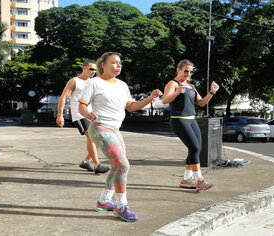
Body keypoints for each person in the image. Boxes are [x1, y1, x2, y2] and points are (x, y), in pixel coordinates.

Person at [78, 52, 162, 222]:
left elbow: (130, 107)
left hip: (115, 130)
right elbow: (82, 106)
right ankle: (121, 206)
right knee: (123, 165)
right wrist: (88, 114)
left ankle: (103, 201)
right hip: (100, 129)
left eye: (120, 63)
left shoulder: (122, 85)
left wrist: (150, 98)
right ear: (103, 64)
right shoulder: (94, 83)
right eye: (114, 62)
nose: (118, 65)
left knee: (117, 167)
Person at [162, 59, 219, 191]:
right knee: (194, 147)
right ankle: (199, 180)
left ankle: (187, 179)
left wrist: (212, 92)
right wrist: (176, 92)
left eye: (191, 71)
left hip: (192, 120)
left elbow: (201, 103)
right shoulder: (173, 83)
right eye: (185, 71)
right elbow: (165, 100)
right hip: (179, 120)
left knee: (196, 148)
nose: (188, 74)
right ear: (178, 70)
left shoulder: (191, 86)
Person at [56, 60, 110, 174]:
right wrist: (60, 115)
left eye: (95, 70)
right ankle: (97, 164)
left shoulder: (93, 82)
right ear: (84, 68)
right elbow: (63, 97)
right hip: (80, 114)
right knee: (91, 137)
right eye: (91, 69)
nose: (93, 72)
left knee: (99, 140)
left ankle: (86, 162)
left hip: (93, 114)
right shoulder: (74, 81)